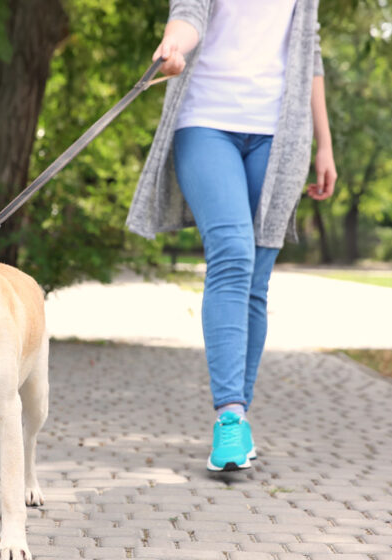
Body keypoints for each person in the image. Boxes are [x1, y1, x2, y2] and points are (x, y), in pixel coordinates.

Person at [126, 0, 337, 471]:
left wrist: (325, 144)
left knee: (255, 283)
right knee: (232, 256)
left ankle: (240, 418)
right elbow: (189, 13)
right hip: (205, 122)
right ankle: (229, 418)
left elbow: (309, 49)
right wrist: (173, 46)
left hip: (280, 135)